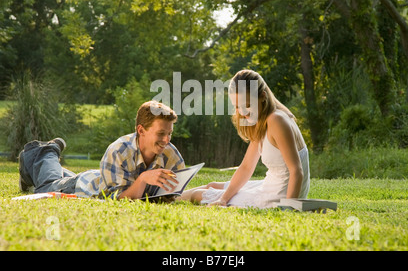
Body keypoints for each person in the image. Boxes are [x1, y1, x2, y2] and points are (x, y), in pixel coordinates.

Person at [180, 70, 310, 208]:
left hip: (280, 195)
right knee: (212, 186)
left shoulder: (277, 120)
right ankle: (165, 197)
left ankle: (166, 199)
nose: (243, 112)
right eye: (237, 107)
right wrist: (223, 199)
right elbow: (247, 167)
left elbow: (296, 170)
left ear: (262, 96)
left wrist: (289, 209)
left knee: (198, 195)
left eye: (247, 105)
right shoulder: (262, 119)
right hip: (272, 184)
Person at [18, 101, 185, 200]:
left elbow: (173, 193)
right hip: (83, 187)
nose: (166, 140)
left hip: (101, 177)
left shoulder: (171, 155)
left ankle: (38, 164)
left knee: (54, 177)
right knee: (47, 186)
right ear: (141, 130)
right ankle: (47, 152)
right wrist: (142, 179)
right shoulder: (119, 151)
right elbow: (119, 199)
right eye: (161, 133)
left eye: (169, 133)